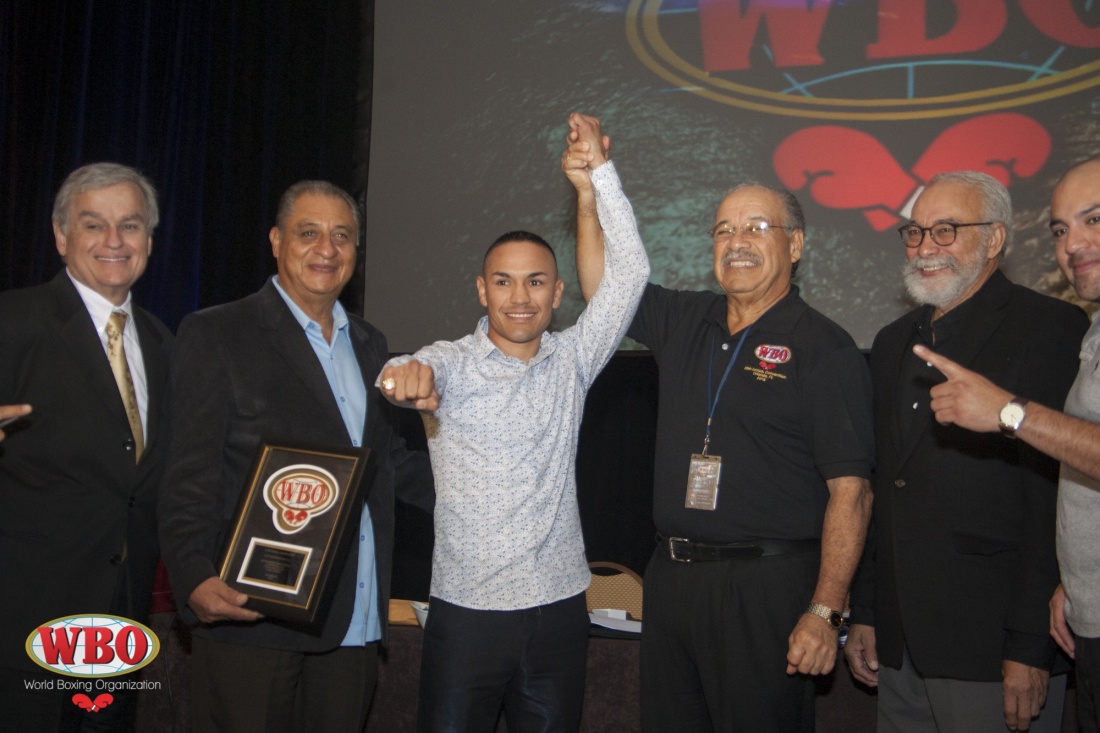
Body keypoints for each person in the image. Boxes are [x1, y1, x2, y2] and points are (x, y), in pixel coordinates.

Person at [565, 135, 874, 731]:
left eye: (757, 227)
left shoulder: (824, 347)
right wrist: (586, 195)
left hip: (766, 588)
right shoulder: (688, 318)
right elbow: (604, 290)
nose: (738, 242)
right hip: (673, 578)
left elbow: (852, 494)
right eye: (724, 230)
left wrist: (825, 611)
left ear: (796, 245)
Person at [378, 113, 649, 732]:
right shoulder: (451, 361)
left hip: (559, 611)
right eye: (503, 282)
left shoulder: (574, 360)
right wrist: (403, 378)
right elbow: (402, 371)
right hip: (466, 614)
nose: (519, 298)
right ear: (482, 290)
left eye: (535, 283)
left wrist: (600, 176)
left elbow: (630, 274)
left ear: (558, 293)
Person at [158, 180, 433, 732]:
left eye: (342, 236)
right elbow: (188, 471)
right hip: (252, 617)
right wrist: (193, 575)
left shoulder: (372, 344)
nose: (327, 249)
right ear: (277, 241)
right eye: (309, 233)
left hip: (353, 622)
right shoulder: (217, 332)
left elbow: (385, 463)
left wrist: (491, 486)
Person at [844, 170, 1089, 733]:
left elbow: (1053, 497)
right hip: (901, 646)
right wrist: (869, 612)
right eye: (915, 232)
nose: (925, 247)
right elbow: (885, 485)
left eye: (946, 230)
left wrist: (1029, 645)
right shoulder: (892, 341)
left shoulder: (1049, 327)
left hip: (992, 646)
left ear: (995, 239)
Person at [912, 156, 1100, 731]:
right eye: (1061, 229)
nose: (1074, 244)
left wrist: (1007, 412)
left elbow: (1041, 487)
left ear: (994, 241)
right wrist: (1077, 580)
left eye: (1094, 220)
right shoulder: (1094, 331)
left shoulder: (1053, 328)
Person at [0, 162, 174, 731]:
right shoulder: (11, 322)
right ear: (60, 236)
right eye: (94, 224)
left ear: (149, 239)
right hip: (21, 623)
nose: (114, 241)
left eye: (130, 225)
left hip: (120, 622)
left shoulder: (164, 344)